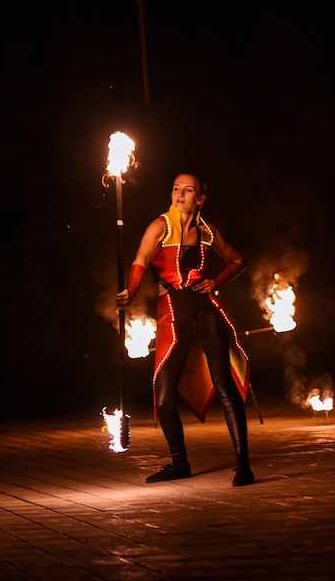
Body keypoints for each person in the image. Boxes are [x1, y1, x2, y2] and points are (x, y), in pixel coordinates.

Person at [116, 173, 255, 487]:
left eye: (188, 190)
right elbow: (140, 259)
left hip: (206, 310)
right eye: (176, 188)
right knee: (164, 400)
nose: (180, 194)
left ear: (201, 199)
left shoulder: (207, 232)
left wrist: (216, 282)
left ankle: (243, 465)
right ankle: (180, 463)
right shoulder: (160, 226)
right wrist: (132, 290)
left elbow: (237, 260)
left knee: (224, 384)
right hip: (171, 316)